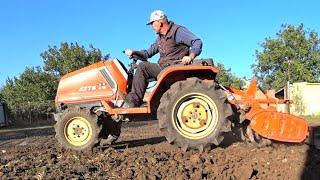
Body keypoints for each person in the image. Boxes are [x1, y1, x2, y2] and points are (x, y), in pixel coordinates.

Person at [123, 10, 203, 107]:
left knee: (142, 66)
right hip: (163, 67)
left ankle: (133, 102)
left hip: (175, 67)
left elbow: (197, 41)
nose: (151, 27)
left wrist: (190, 56)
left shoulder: (177, 31)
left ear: (159, 23)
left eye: (152, 23)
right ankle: (134, 101)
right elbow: (148, 53)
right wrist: (134, 52)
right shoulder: (160, 39)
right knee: (143, 66)